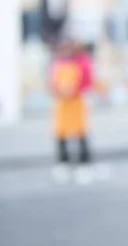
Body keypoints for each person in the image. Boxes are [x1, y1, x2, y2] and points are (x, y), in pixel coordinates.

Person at [50, 40, 94, 185]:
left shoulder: (82, 62)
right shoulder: (58, 63)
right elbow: (53, 82)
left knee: (81, 132)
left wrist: (74, 90)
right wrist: (60, 91)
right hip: (63, 103)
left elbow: (87, 81)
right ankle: (63, 161)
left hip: (77, 102)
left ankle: (83, 161)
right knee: (61, 132)